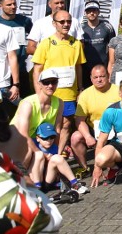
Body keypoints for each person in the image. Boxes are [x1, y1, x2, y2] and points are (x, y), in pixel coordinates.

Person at [31, 10, 85, 154]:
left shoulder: (76, 43)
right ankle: (47, 154)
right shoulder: (46, 43)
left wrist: (80, 88)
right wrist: (38, 93)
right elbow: (37, 69)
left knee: (66, 125)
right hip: (50, 93)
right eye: (62, 22)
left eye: (68, 21)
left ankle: (58, 154)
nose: (66, 24)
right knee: (51, 126)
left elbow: (78, 67)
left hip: (69, 93)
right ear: (54, 24)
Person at [11, 69, 64, 177]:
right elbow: (23, 134)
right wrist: (43, 154)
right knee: (31, 154)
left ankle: (34, 183)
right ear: (39, 84)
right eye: (46, 82)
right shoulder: (28, 103)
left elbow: (57, 130)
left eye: (53, 82)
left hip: (37, 140)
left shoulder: (59, 102)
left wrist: (54, 153)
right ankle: (18, 182)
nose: (50, 85)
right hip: (17, 139)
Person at [71, 65, 120, 176]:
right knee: (75, 137)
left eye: (102, 76)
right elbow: (79, 120)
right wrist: (88, 136)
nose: (99, 79)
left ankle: (116, 164)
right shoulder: (85, 95)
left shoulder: (118, 90)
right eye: (96, 77)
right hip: (95, 128)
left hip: (116, 128)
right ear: (91, 78)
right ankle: (84, 168)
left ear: (108, 76)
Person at [31, 121, 89, 194]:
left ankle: (74, 184)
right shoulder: (33, 145)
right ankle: (36, 186)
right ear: (37, 138)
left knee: (57, 157)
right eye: (45, 138)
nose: (49, 141)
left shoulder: (55, 148)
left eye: (52, 137)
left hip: (47, 180)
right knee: (38, 155)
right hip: (34, 181)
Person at [78, 0, 116, 87]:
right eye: (89, 11)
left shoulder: (107, 27)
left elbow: (113, 48)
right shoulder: (80, 28)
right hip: (85, 68)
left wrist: (110, 67)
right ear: (85, 13)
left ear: (98, 12)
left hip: (103, 67)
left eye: (94, 10)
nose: (91, 13)